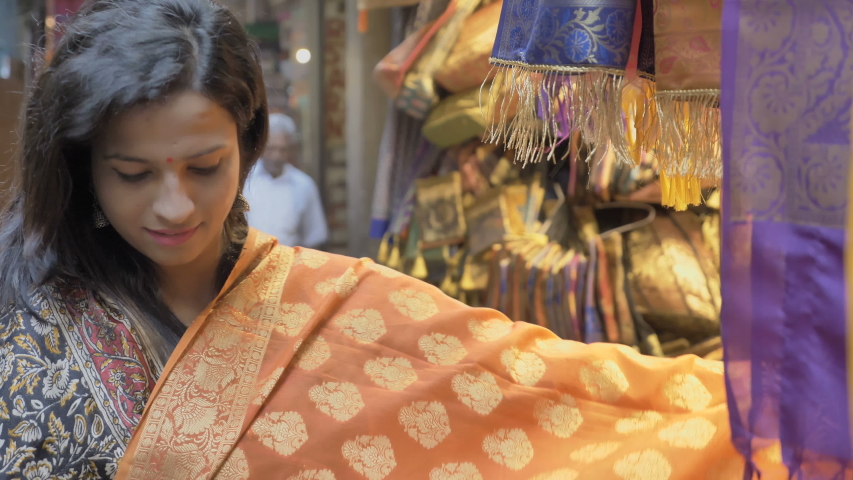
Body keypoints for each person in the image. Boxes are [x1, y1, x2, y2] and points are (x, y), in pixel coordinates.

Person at [0, 0, 742, 478]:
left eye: (205, 167)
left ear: (249, 144)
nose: (173, 205)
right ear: (83, 170)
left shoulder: (342, 306)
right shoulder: (34, 335)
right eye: (132, 173)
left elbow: (551, 391)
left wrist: (766, 407)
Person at [244, 113, 328, 249]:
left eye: (282, 150)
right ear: (261, 147)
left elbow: (314, 238)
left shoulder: (304, 186)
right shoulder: (244, 181)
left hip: (288, 266)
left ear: (291, 149)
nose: (276, 156)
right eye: (271, 149)